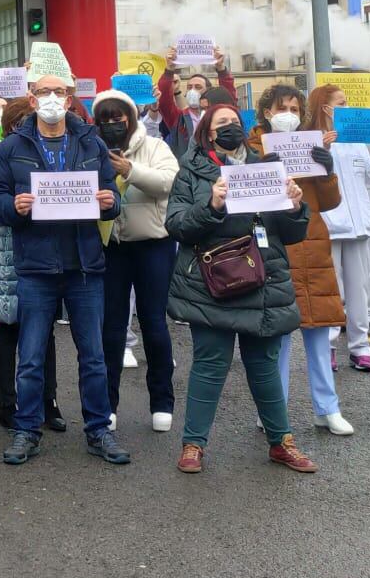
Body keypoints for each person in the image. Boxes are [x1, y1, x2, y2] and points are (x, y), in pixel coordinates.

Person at [165, 101, 318, 475]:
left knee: (263, 365)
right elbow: (177, 224)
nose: (231, 127)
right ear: (208, 132)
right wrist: (213, 204)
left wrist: (296, 207)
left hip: (263, 277)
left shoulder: (267, 166)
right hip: (211, 281)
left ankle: (281, 442)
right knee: (209, 364)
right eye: (222, 123)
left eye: (235, 120)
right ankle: (193, 444)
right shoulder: (192, 170)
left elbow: (294, 234)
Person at [0, 72, 128, 466]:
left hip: (84, 266)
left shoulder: (90, 142)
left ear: (69, 100)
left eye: (59, 92)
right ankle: (26, 430)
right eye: (44, 92)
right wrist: (12, 206)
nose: (52, 98)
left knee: (93, 355)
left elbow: (112, 197)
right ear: (32, 100)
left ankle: (99, 429)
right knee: (30, 355)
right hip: (35, 266)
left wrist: (107, 202)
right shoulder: (12, 147)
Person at [252, 84, 353, 437]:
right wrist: (262, 169)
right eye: (283, 108)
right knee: (277, 335)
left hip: (312, 245)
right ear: (266, 112)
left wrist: (326, 171)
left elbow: (329, 203)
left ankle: (328, 408)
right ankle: (272, 409)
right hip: (274, 248)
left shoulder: (311, 146)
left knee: (318, 331)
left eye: (295, 109)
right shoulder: (254, 146)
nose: (289, 115)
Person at [89, 89, 180, 433]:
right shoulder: (90, 149)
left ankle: (162, 401)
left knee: (154, 323)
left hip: (153, 245)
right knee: (110, 328)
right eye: (105, 119)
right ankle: (107, 406)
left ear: (130, 115)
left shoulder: (155, 146)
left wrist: (130, 169)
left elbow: (170, 182)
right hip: (110, 246)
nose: (113, 124)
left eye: (119, 117)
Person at [0, 100, 63, 428]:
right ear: (11, 126)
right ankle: (8, 404)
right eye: (24, 121)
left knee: (45, 331)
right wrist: (14, 203)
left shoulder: (55, 153)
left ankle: (48, 401)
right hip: (7, 251)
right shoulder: (1, 153)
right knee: (9, 328)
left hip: (43, 249)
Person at [307, 85, 370, 372]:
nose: (347, 108)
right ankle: (329, 346)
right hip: (330, 225)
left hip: (359, 225)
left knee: (360, 289)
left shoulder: (357, 140)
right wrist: (322, 149)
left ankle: (360, 347)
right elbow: (309, 181)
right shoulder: (313, 140)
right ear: (326, 108)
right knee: (331, 291)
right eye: (342, 103)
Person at [154, 48, 237, 155]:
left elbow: (228, 96)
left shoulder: (219, 115)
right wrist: (169, 69)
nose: (192, 90)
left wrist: (221, 68)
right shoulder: (180, 118)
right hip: (187, 169)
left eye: (198, 87)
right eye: (189, 87)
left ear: (208, 91)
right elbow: (164, 100)